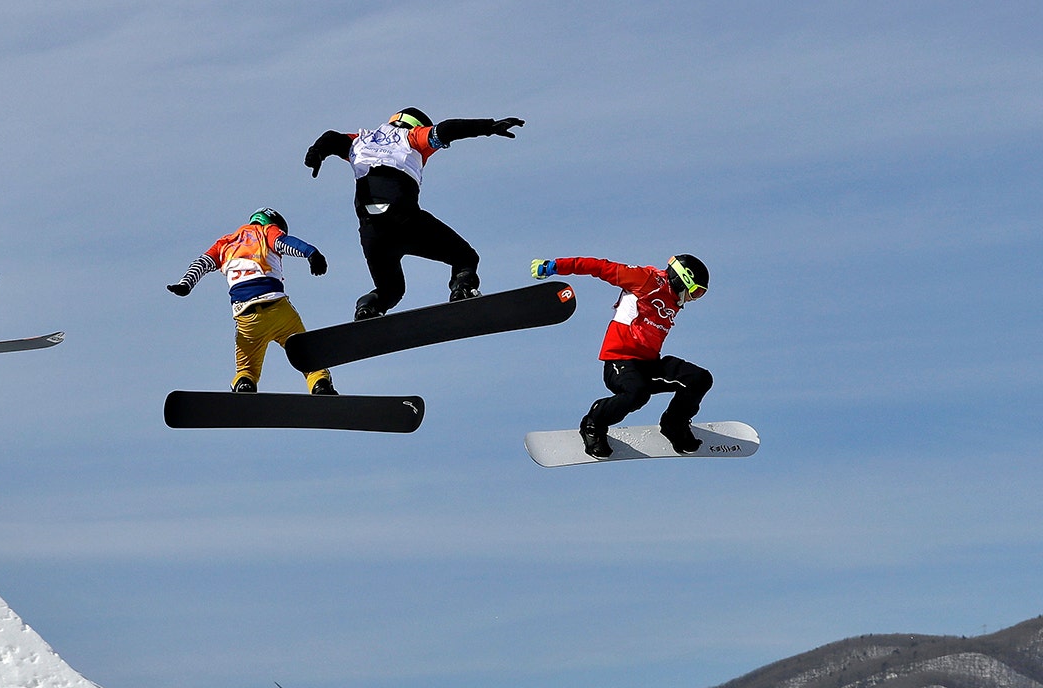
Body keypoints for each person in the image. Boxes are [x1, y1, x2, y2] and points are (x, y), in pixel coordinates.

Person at [304, 107, 525, 320]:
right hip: (404, 220)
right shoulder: (412, 137)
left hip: (371, 231)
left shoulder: (361, 140)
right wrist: (489, 126)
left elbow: (332, 138)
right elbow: (447, 129)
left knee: (390, 290)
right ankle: (462, 289)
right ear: (416, 124)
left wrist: (317, 152)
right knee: (465, 257)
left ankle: (367, 308)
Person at [528, 253, 712, 459]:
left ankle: (674, 424)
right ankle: (594, 423)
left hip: (649, 364)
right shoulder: (646, 279)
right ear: (682, 279)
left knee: (699, 379)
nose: (694, 299)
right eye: (696, 292)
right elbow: (600, 267)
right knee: (638, 393)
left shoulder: (672, 299)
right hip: (620, 361)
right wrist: (555, 266)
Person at [168, 208, 336, 394]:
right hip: (278, 310)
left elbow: (202, 263)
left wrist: (185, 284)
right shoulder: (267, 231)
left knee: (246, 369)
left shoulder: (225, 243)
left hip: (247, 317)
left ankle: (244, 384)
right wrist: (311, 253)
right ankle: (320, 383)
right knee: (308, 357)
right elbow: (284, 243)